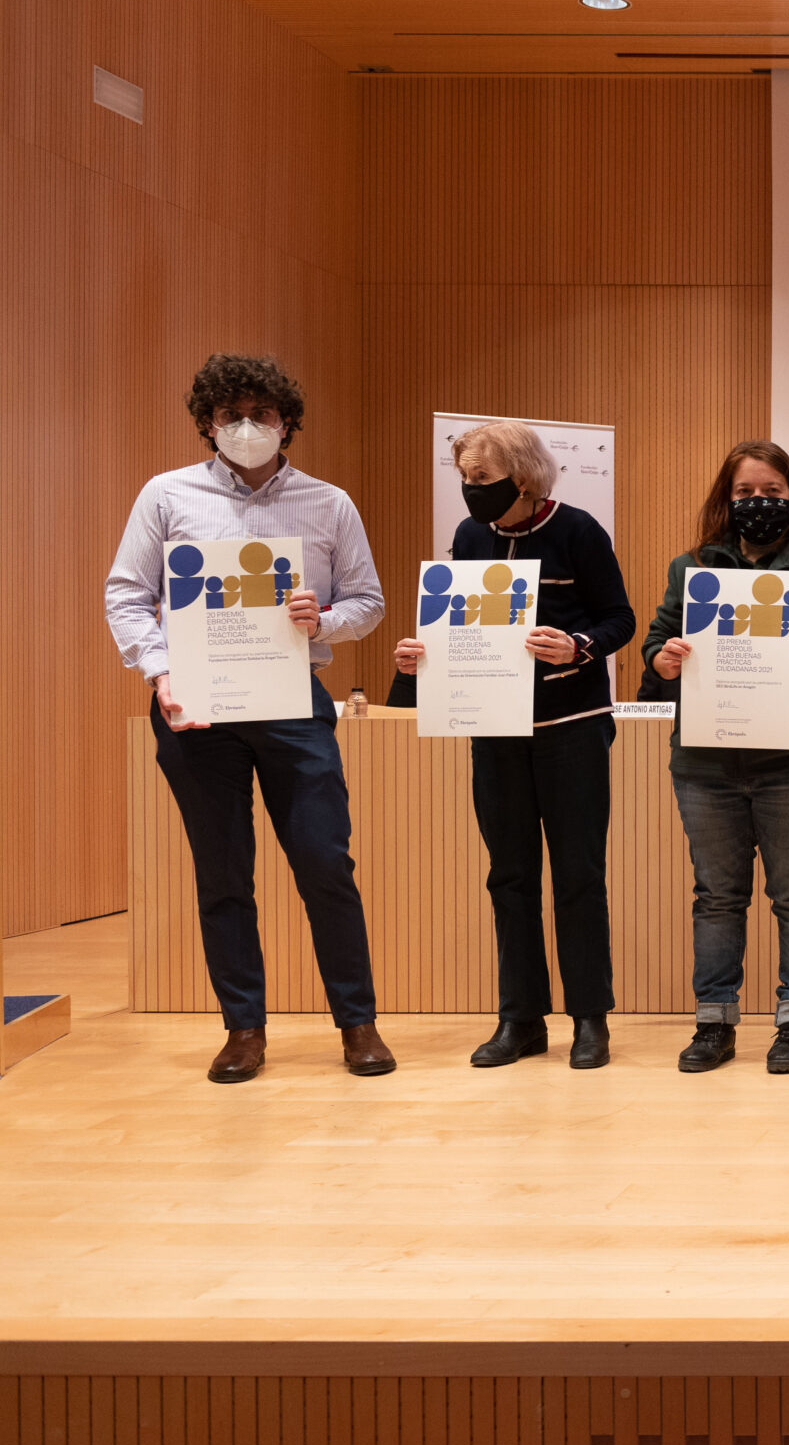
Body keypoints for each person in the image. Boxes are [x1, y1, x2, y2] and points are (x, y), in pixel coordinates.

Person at [104, 353, 393, 1083]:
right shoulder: (165, 496)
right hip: (193, 706)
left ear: (287, 420)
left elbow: (368, 602)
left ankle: (358, 1024)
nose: (246, 427)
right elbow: (127, 595)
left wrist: (321, 618)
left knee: (326, 863)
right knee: (223, 871)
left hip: (294, 701)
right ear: (207, 422)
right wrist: (160, 672)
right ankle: (243, 1028)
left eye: (261, 413)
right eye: (230, 414)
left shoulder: (329, 504)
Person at [388, 419, 633, 1069]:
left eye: (482, 479)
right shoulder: (470, 537)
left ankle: (590, 1019)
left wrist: (579, 644)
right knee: (510, 876)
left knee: (579, 876)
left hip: (571, 728)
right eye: (466, 479)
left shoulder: (578, 529)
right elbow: (456, 624)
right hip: (495, 730)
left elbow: (620, 618)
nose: (472, 491)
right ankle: (520, 1018)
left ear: (523, 478)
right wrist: (417, 658)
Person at [642, 441, 789, 1074]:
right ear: (727, 499)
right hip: (706, 764)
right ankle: (714, 1021)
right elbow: (657, 644)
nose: (758, 503)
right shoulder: (692, 570)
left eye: (772, 492)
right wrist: (663, 659)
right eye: (745, 493)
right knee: (717, 896)